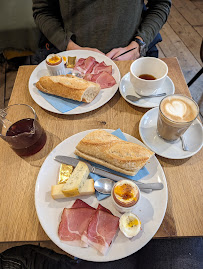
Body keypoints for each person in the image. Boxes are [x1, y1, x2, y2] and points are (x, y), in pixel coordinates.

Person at [32, 0, 171, 61]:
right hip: (71, 61)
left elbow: (160, 4)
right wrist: (70, 47)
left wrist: (138, 45)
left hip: (132, 59)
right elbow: (43, 11)